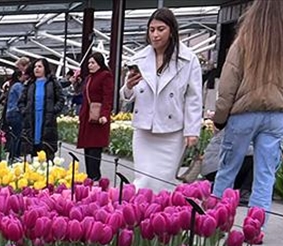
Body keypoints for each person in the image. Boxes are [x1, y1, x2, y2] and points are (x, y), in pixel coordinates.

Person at [209, 0, 283, 217]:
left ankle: (216, 219)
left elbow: (227, 85)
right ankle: (256, 227)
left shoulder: (244, 41)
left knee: (227, 170)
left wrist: (220, 117)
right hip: (275, 115)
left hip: (243, 113)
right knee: (265, 174)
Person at [120, 8, 204, 192]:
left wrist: (192, 131)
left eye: (161, 29)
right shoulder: (139, 58)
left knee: (163, 183)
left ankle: (161, 218)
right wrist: (128, 87)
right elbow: (127, 96)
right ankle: (142, 217)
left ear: (171, 30)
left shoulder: (188, 60)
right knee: (143, 180)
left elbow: (194, 97)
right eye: (151, 30)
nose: (155, 35)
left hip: (172, 132)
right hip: (144, 130)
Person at [77, 52, 113, 181]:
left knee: (94, 148)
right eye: (89, 63)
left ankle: (95, 177)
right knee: (88, 148)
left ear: (100, 63)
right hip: (88, 116)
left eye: (93, 63)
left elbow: (107, 97)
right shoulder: (89, 78)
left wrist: (104, 114)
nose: (90, 65)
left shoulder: (105, 76)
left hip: (98, 118)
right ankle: (89, 176)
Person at [19, 59, 63, 159]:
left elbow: (61, 99)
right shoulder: (30, 84)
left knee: (47, 151)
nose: (36, 69)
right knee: (34, 151)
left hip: (47, 120)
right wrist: (24, 111)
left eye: (39, 66)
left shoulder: (52, 83)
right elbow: (21, 101)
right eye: (35, 66)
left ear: (45, 68)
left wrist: (53, 111)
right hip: (32, 119)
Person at [4, 71, 26, 161]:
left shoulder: (13, 86)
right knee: (17, 135)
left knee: (15, 134)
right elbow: (22, 98)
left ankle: (13, 155)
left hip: (10, 113)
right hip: (15, 113)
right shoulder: (18, 86)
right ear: (19, 76)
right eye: (24, 75)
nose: (25, 76)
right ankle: (14, 155)